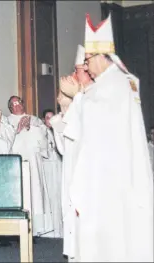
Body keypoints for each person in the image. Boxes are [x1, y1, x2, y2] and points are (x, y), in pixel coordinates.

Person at [69, 14, 153, 261]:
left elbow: (97, 131)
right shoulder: (110, 84)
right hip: (105, 174)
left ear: (101, 56)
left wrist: (80, 98)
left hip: (109, 176)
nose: (86, 67)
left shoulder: (115, 85)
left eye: (88, 60)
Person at [50, 44, 93, 262]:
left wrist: (75, 99)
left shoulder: (93, 96)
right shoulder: (80, 98)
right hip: (72, 166)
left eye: (76, 70)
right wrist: (65, 109)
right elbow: (64, 148)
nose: (72, 75)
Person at [7, 95, 51, 237]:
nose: (17, 105)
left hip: (34, 163)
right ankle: (17, 229)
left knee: (36, 193)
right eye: (13, 103)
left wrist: (30, 127)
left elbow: (44, 136)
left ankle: (37, 228)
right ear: (10, 108)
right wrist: (18, 130)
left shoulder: (35, 120)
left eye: (19, 101)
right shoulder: (7, 122)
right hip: (17, 164)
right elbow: (5, 142)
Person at [40, 108, 63, 238]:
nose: (50, 120)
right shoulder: (42, 132)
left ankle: (60, 230)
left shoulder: (58, 132)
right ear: (44, 120)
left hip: (58, 167)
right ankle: (50, 231)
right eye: (47, 118)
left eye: (52, 117)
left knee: (59, 197)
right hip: (48, 168)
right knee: (49, 197)